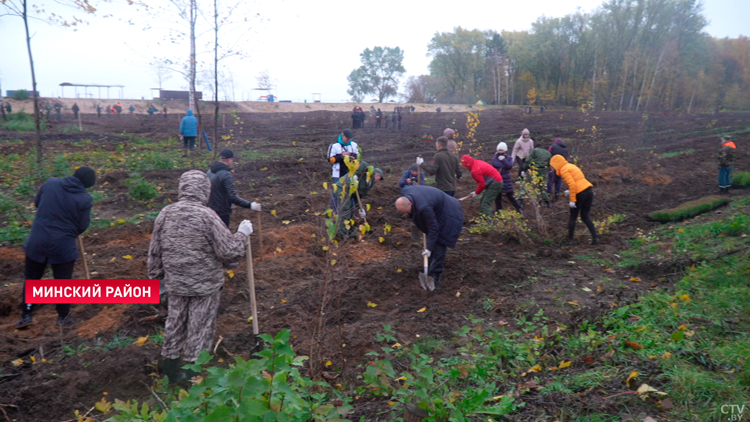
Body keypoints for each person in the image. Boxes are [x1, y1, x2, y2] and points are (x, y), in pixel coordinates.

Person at [147, 170, 252, 384]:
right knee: (199, 326)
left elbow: (154, 251)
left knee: (175, 322)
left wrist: (156, 279)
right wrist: (242, 234)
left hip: (175, 282)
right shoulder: (207, 216)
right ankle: (192, 374)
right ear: (205, 190)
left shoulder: (166, 213)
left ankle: (170, 366)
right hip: (204, 286)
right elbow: (229, 252)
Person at [16, 167, 97, 328]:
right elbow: (82, 226)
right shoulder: (84, 198)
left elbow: (37, 203)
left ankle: (26, 314)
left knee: (32, 278)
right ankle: (63, 317)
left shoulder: (50, 183)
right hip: (62, 246)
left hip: (37, 241)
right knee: (62, 283)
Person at [395, 186, 463, 291]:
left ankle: (434, 276)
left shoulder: (424, 207)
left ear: (410, 203)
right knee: (432, 242)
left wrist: (429, 248)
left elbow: (433, 228)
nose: (405, 214)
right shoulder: (407, 193)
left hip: (450, 214)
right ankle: (431, 265)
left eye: (405, 211)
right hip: (437, 209)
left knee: (440, 244)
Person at [550, 155, 598, 245]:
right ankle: (595, 238)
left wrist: (572, 199)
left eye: (553, 166)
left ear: (556, 164)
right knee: (585, 216)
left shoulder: (564, 170)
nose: (553, 168)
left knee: (573, 217)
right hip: (589, 191)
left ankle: (570, 241)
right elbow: (579, 181)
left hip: (580, 194)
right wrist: (571, 191)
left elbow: (572, 184)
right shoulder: (571, 166)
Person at [207, 148, 258, 228]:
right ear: (229, 160)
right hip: (222, 213)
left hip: (209, 211)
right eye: (232, 160)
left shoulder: (210, 171)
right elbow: (232, 197)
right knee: (222, 237)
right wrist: (250, 205)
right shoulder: (226, 175)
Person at [334, 161, 384, 237]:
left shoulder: (370, 183)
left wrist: (360, 208)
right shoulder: (368, 171)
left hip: (351, 191)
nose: (378, 180)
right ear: (377, 175)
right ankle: (342, 233)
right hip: (343, 187)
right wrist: (356, 175)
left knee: (350, 212)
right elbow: (363, 164)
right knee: (345, 209)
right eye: (379, 178)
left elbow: (360, 195)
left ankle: (349, 230)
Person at [491, 142, 523, 216]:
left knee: (511, 196)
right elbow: (492, 168)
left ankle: (519, 209)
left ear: (505, 150)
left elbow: (509, 166)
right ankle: (499, 212)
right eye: (499, 150)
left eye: (502, 150)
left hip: (506, 180)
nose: (500, 151)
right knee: (497, 197)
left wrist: (503, 160)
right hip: (497, 180)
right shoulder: (494, 159)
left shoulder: (508, 158)